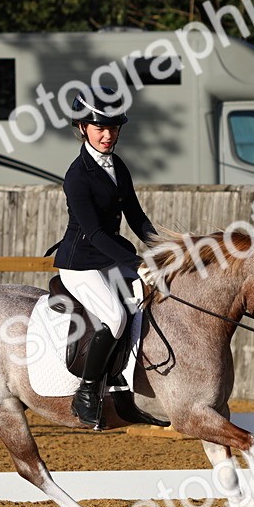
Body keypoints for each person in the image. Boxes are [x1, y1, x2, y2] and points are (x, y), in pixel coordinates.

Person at [53, 89, 158, 428]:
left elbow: (136, 217)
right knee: (114, 317)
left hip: (110, 257)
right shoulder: (77, 175)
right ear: (82, 128)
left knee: (142, 306)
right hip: (80, 263)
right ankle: (86, 393)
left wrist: (164, 249)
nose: (108, 134)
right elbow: (96, 233)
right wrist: (137, 264)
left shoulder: (117, 165)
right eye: (100, 128)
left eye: (113, 128)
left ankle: (123, 393)